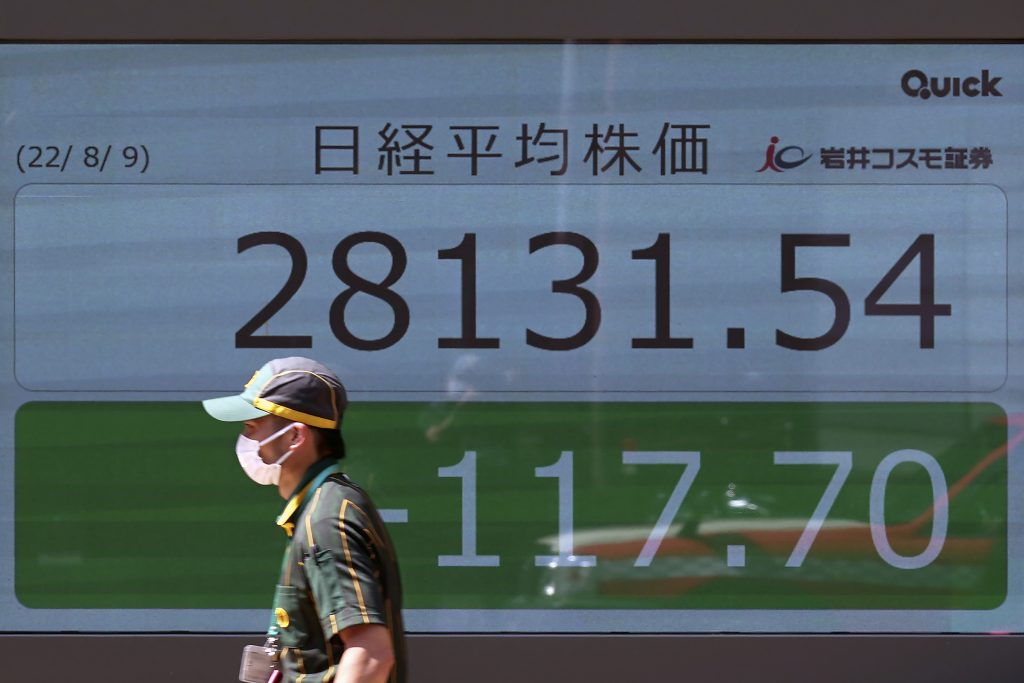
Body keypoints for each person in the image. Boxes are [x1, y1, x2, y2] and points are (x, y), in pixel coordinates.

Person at [202, 357, 406, 683]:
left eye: (253, 426)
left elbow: (371, 656)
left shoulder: (326, 520)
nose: (245, 440)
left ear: (295, 437)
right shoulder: (325, 506)